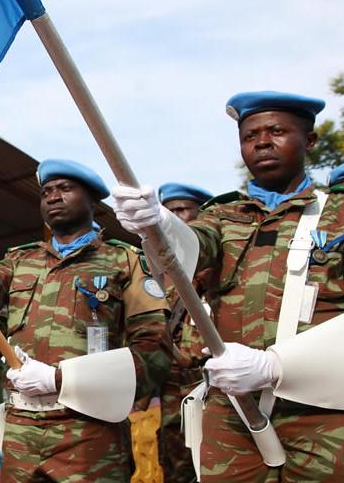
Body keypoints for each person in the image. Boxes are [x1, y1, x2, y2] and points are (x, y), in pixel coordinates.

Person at [113, 91, 344, 481]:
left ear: (309, 141)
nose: (262, 142)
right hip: (233, 410)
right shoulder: (222, 216)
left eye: (277, 131)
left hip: (323, 410)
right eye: (250, 136)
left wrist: (275, 367)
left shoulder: (337, 213)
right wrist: (158, 226)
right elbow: (188, 250)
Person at [0, 159, 172, 482]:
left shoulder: (125, 261)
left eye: (65, 188)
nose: (53, 197)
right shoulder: (19, 261)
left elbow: (154, 353)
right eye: (46, 191)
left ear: (92, 200)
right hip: (22, 431)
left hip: (89, 431)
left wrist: (59, 380)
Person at [156, 183, 213, 483]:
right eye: (169, 212)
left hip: (216, 387)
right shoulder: (162, 275)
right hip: (172, 393)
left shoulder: (223, 270)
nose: (174, 219)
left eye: (181, 210)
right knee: (176, 465)